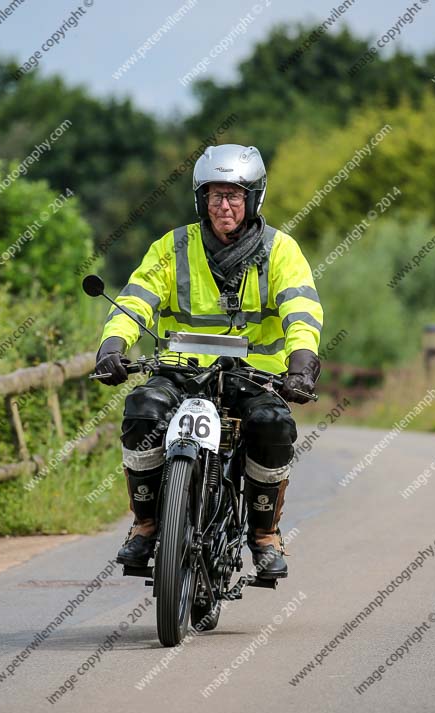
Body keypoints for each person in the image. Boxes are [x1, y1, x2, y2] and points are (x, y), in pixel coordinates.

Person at [95, 144, 323, 579]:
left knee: (273, 425)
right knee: (142, 412)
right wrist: (112, 348)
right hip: (180, 370)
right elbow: (135, 299)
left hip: (255, 377)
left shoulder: (281, 250)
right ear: (201, 198)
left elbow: (302, 311)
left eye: (235, 195)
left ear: (253, 198)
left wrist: (302, 365)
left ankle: (264, 535)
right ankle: (145, 525)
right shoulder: (172, 247)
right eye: (215, 195)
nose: (224, 206)